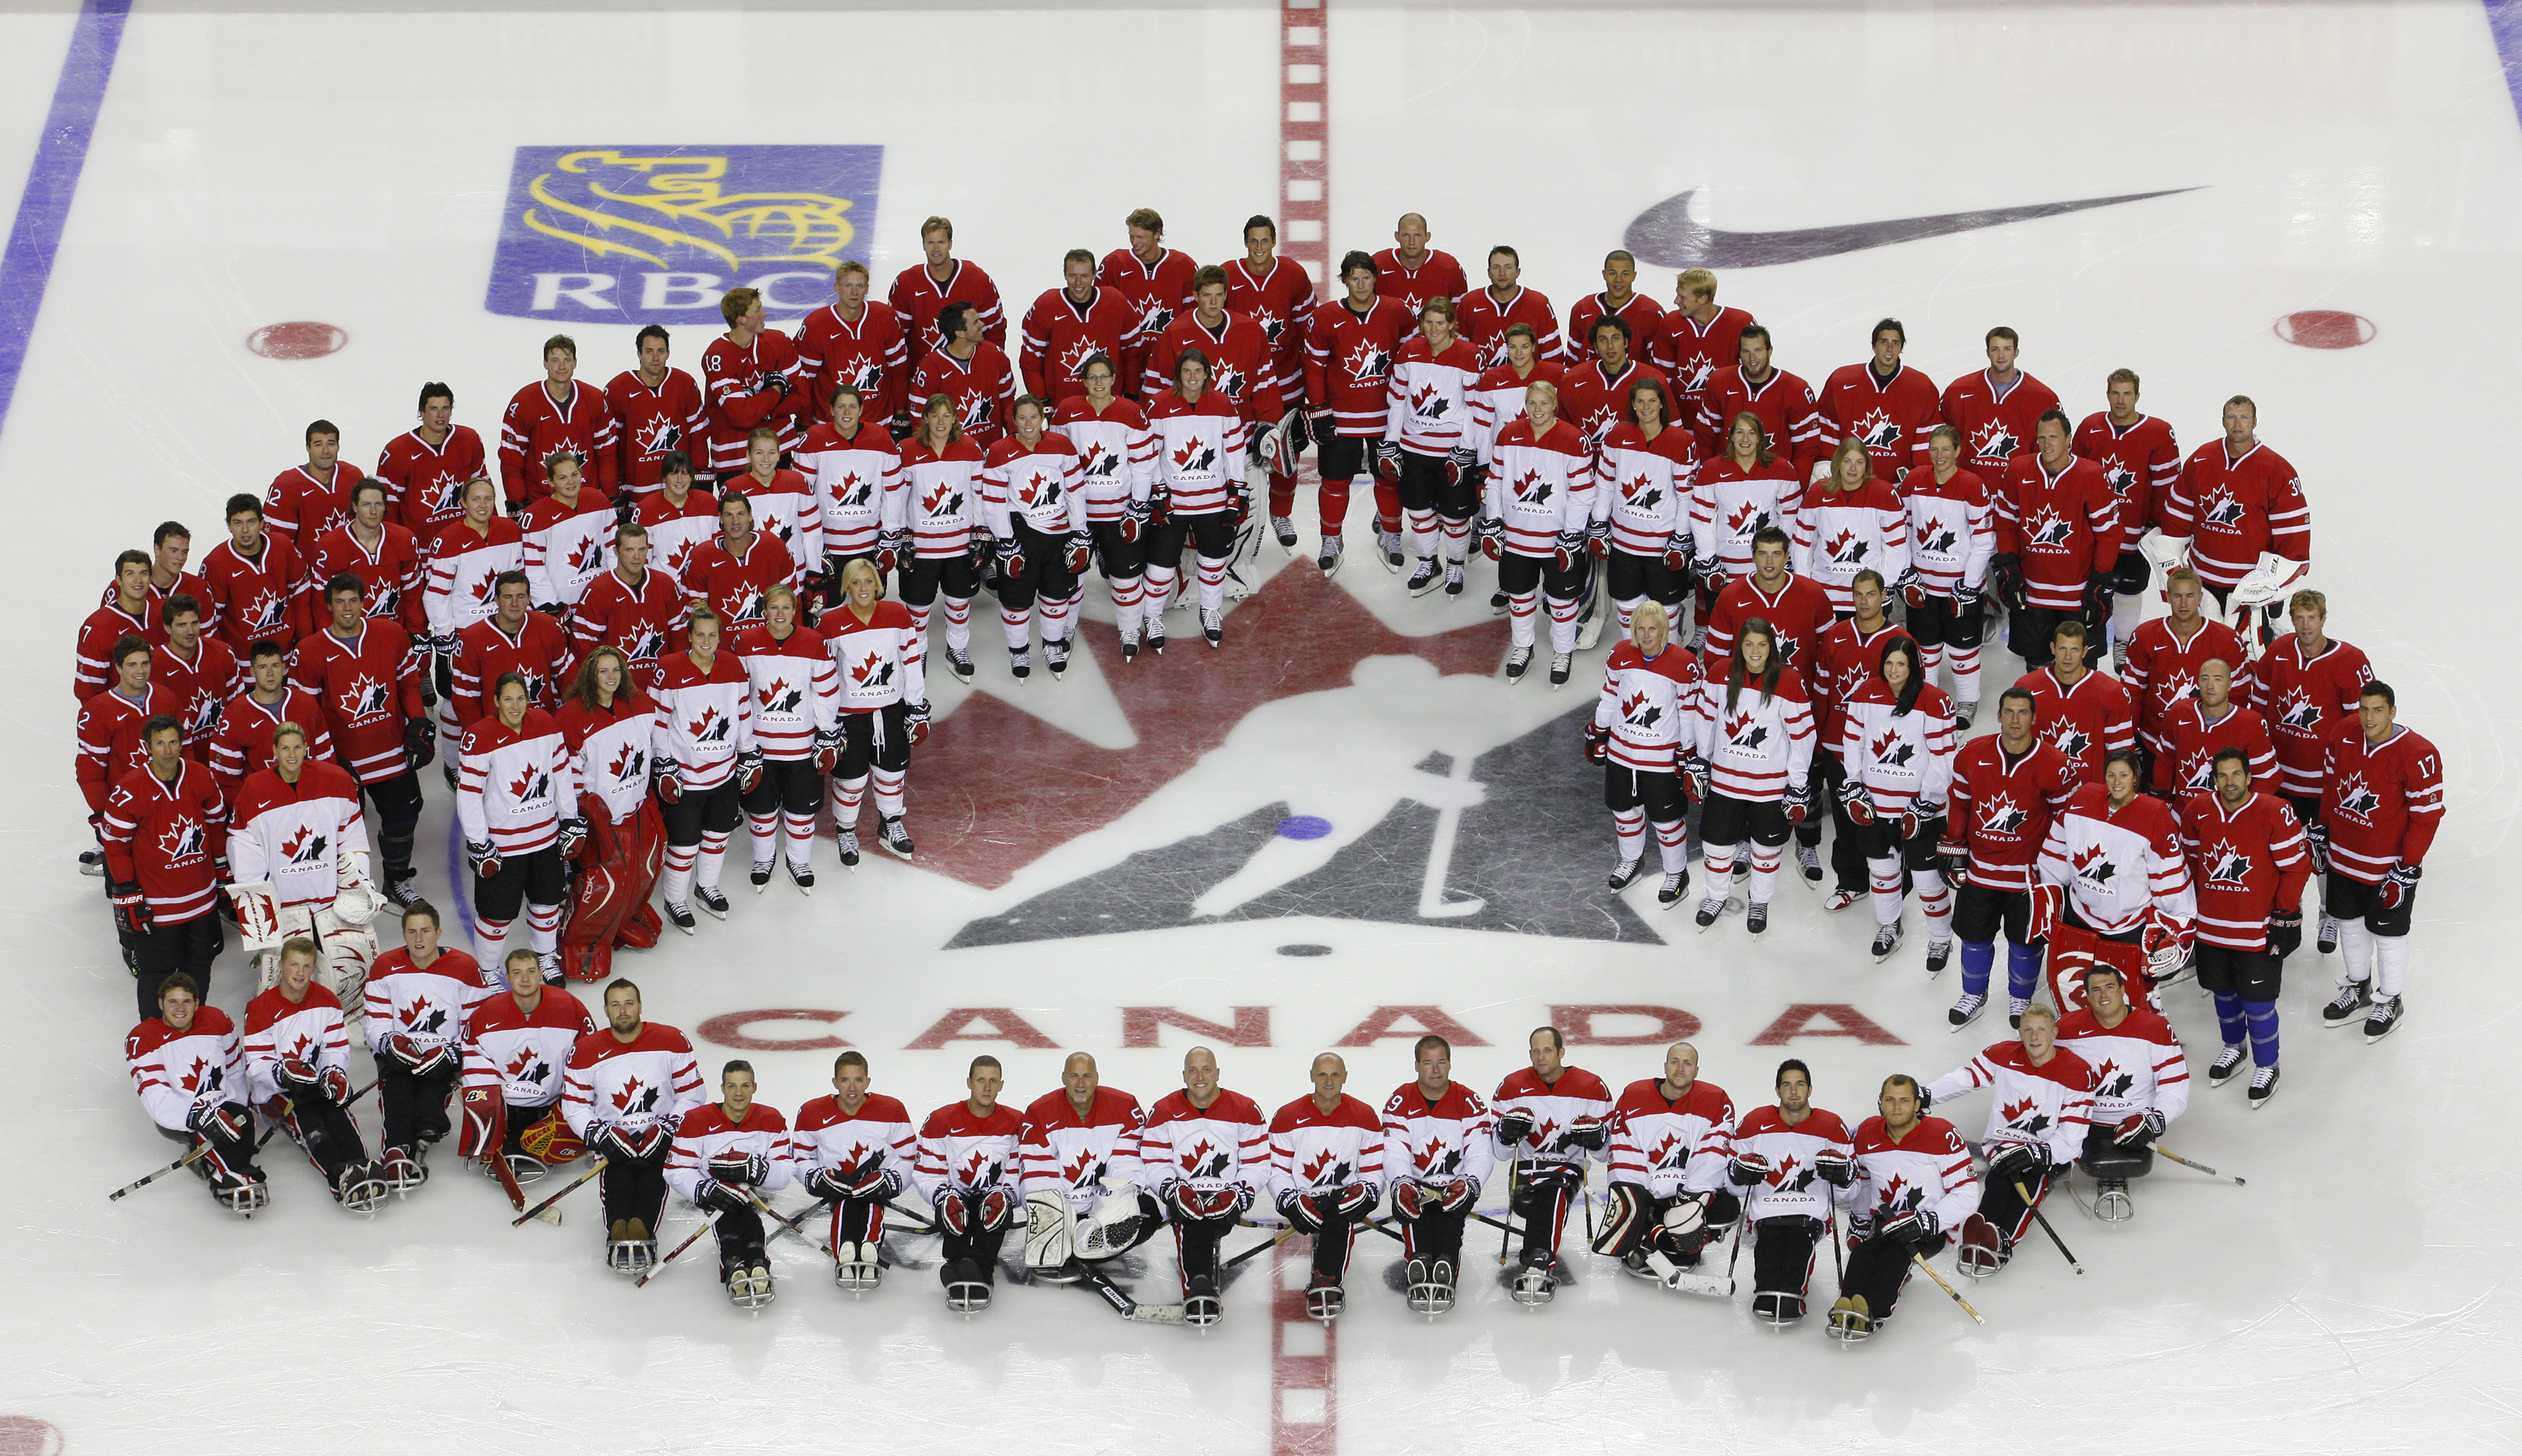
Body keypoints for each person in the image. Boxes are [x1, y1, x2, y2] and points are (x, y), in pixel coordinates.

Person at [1940, 687, 2080, 1029]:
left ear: (2033, 718)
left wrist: (2053, 866)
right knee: (1974, 937)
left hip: (2029, 877)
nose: (2015, 719)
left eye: (2022, 713)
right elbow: (1960, 802)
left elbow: (2067, 820)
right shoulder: (1971, 754)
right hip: (1980, 871)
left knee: (2025, 941)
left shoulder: (2055, 764)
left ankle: (2021, 1000)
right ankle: (1974, 993)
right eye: (2009, 712)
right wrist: (1953, 846)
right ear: (1998, 715)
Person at [2180, 749, 2311, 1107]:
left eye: (2236, 774)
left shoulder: (2272, 811)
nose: (2230, 782)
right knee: (2223, 994)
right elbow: (2190, 863)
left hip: (2256, 930)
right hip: (2211, 930)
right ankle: (2233, 1048)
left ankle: (2268, 1065)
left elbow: (2297, 868)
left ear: (2249, 776)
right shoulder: (2198, 811)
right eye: (2222, 776)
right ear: (2214, 779)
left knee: (2258, 1004)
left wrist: (2284, 912)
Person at [1922, 1006, 2095, 1278]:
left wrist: (2039, 1155)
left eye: (2041, 1030)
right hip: (2003, 1147)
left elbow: (2072, 1138)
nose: (2034, 1036)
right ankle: (1984, 1229)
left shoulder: (2076, 1072)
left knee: (2029, 1180)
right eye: (2028, 1029)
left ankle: (2002, 1240)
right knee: (2000, 1178)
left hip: (2047, 1152)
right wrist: (1927, 1095)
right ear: (2019, 1032)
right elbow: (1965, 1078)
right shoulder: (2003, 1055)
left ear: (2054, 1033)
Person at [293, 571, 430, 904]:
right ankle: (347, 889)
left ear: (363, 601)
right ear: (328, 607)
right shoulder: (311, 651)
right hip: (343, 760)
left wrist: (418, 723)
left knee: (404, 817)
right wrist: (326, 759)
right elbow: (306, 711)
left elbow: (409, 684)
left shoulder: (390, 634)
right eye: (339, 602)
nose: (347, 608)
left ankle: (396, 881)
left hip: (390, 752)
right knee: (340, 832)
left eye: (353, 600)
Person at [2252, 589, 2374, 954]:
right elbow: (2258, 707)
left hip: (2325, 782)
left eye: (2312, 618)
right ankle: (2287, 912)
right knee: (2280, 852)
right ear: (2291, 619)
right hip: (2282, 779)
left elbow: (2360, 725)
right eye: (2299, 618)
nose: (2305, 626)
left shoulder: (2349, 660)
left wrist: (2351, 773)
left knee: (2327, 853)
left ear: (2323, 619)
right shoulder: (2277, 653)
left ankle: (2328, 914)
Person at [2318, 681, 2441, 1042]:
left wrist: (2409, 865)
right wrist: (2323, 829)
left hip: (2388, 866)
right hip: (2344, 858)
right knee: (2350, 924)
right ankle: (2358, 988)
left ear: (2392, 712)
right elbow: (2330, 785)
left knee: (2388, 935)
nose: (2369, 717)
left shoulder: (2418, 752)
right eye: (2364, 709)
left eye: (2377, 710)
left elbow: (2426, 816)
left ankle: (2390, 999)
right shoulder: (2343, 734)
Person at [226, 720, 380, 1002]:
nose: (292, 754)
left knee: (345, 967)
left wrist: (357, 880)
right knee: (283, 974)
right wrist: (256, 898)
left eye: (297, 747)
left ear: (307, 748)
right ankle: (280, 1016)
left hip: (329, 901)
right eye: (285, 748)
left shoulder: (335, 779)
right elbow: (243, 842)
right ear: (274, 751)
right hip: (286, 904)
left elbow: (352, 832)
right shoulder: (255, 788)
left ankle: (345, 1015)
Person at [2034, 751, 2198, 1014]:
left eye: (2124, 774)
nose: (2117, 781)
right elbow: (2056, 851)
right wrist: (2051, 895)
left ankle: (2153, 1024)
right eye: (2111, 775)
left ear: (2136, 778)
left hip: (2130, 924)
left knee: (2134, 993)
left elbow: (2168, 874)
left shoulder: (2154, 815)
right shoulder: (2083, 800)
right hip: (2081, 916)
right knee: (2077, 987)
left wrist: (2176, 921)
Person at [562, 978, 706, 1274]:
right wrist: (600, 1134)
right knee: (618, 1176)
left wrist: (667, 1129)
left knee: (654, 1175)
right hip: (614, 1140)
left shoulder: (672, 1040)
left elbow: (693, 1094)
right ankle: (617, 1228)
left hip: (660, 1136)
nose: (623, 1011)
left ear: (640, 1006)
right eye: (615, 1005)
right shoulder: (586, 1050)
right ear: (605, 1010)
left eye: (629, 1003)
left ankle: (642, 1229)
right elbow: (574, 1105)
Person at [1690, 616, 1817, 933]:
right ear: (1740, 647)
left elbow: (1804, 736)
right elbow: (1705, 719)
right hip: (1725, 782)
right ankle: (1716, 896)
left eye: (1762, 644)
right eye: (1748, 644)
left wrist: (1797, 785)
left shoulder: (1789, 681)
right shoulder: (1720, 674)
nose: (1755, 651)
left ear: (1771, 646)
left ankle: (1759, 901)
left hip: (1770, 789)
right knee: (1717, 845)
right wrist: (1700, 761)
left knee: (1766, 849)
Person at [1828, 1074, 1975, 1341]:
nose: (1897, 1107)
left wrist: (1928, 1221)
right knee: (1863, 1255)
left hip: (1929, 1229)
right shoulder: (1866, 1133)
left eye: (1905, 1101)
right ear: (1880, 1103)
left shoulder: (1943, 1134)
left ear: (1918, 1104)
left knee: (1895, 1259)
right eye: (1890, 1100)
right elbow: (1862, 1182)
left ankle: (1872, 1314)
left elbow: (1967, 1192)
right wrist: (1861, 1221)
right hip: (1886, 1224)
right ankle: (1846, 1307)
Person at [1841, 636, 1959, 963]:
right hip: (1876, 806)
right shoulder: (1865, 693)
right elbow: (1853, 743)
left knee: (1927, 879)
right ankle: (1889, 926)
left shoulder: (1935, 701)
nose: (1894, 670)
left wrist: (1929, 800)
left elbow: (1944, 757)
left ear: (1914, 666)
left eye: (1902, 664)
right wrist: (1853, 785)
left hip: (1920, 809)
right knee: (1882, 872)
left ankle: (1940, 938)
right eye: (1889, 663)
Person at [244, 937, 384, 1210]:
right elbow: (256, 1064)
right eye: (294, 964)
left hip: (314, 1082)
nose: (299, 972)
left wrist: (333, 1073)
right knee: (311, 1123)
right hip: (277, 1092)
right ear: (282, 966)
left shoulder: (327, 1000)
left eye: (306, 966)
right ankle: (339, 1177)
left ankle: (363, 1168)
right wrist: (282, 1074)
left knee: (339, 1114)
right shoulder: (260, 1007)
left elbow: (335, 1048)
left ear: (314, 968)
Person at [364, 901, 494, 1193]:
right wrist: (389, 1042)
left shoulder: (465, 967)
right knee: (397, 1092)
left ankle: (431, 1122)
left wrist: (454, 1052)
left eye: (425, 931)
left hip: (442, 1057)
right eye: (412, 932)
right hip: (400, 1056)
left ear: (438, 933)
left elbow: (478, 1023)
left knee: (430, 1098)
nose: (419, 939)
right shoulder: (385, 966)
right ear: (403, 935)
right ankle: (396, 1151)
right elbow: (374, 1019)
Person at [102, 713, 226, 1017]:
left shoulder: (200, 776)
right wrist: (128, 892)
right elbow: (115, 845)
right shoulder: (130, 789)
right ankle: (155, 1037)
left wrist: (223, 873)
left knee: (199, 968)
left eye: (173, 742)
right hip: (159, 907)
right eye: (160, 743)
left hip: (201, 901)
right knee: (156, 975)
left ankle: (194, 1030)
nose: (168, 750)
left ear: (181, 744)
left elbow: (216, 825)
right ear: (148, 747)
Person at [553, 646, 664, 981]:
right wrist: (572, 817)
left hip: (636, 807)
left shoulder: (641, 703)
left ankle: (625, 917)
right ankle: (582, 941)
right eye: (603, 671)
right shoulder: (571, 716)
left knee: (645, 868)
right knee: (603, 882)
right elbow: (565, 775)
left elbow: (658, 743)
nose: (611, 677)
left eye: (616, 669)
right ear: (591, 675)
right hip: (599, 818)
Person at [1139, 1046, 1270, 1324]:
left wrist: (1240, 1192)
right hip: (1183, 1195)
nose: (1200, 1076)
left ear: (1218, 1073)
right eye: (1193, 1070)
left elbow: (1258, 1163)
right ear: (1184, 1075)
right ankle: (1198, 1286)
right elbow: (1154, 1162)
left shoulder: (1245, 1109)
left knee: (1207, 1219)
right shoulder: (1164, 1110)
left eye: (1206, 1069)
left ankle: (1200, 1282)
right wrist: (1171, 1189)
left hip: (1227, 1196)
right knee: (1191, 1219)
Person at [457, 671, 574, 978]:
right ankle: (489, 971)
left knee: (548, 902)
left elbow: (561, 774)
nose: (515, 705)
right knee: (496, 915)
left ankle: (546, 957)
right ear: (495, 701)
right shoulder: (478, 736)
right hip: (502, 847)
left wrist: (570, 819)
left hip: (545, 838)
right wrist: (479, 841)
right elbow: (468, 795)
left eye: (520, 698)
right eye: (507, 698)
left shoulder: (546, 724)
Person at [1587, 599, 1703, 905]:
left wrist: (1689, 754)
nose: (1647, 635)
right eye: (1641, 628)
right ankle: (1631, 861)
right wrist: (1598, 732)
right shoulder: (1620, 655)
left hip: (1661, 760)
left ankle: (1677, 874)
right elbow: (1610, 698)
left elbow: (1689, 715)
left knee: (1667, 821)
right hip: (1621, 755)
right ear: (1633, 630)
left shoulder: (1684, 664)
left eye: (1653, 628)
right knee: (1624, 812)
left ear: (1665, 630)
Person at [1595, 1041, 1737, 1288]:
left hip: (1690, 1196)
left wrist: (1690, 1200)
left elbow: (1712, 1155)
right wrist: (1635, 1202)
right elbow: (1625, 1153)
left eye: (1687, 1064)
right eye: (1675, 1062)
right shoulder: (1634, 1096)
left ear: (1696, 1070)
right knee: (1655, 1225)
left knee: (1728, 1207)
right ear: (1665, 1066)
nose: (1680, 1069)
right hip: (1651, 1196)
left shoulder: (1715, 1100)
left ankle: (1654, 1237)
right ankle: (1655, 1232)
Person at [649, 605, 757, 930]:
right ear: (689, 636)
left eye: (712, 635)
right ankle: (675, 899)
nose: (706, 641)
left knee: (717, 834)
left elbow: (742, 712)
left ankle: (706, 886)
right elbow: (658, 721)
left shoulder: (733, 666)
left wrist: (749, 753)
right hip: (685, 776)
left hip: (723, 773)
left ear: (720, 637)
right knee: (684, 843)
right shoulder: (668, 668)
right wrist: (663, 763)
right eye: (700, 635)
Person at [1303, 251, 1411, 573]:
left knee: (1388, 479)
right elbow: (1313, 365)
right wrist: (1318, 408)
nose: (1360, 283)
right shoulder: (1325, 317)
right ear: (1345, 280)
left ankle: (1391, 534)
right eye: (1354, 277)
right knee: (1335, 481)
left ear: (1375, 278)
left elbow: (1412, 361)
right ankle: (1331, 539)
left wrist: (1409, 407)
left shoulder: (1397, 312)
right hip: (1341, 417)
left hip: (1386, 416)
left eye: (1366, 277)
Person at [1487, 1027, 1612, 1305]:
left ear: (1561, 1052)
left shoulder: (1592, 1087)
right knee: (1530, 1205)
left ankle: (1539, 1261)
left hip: (1568, 1166)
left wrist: (1597, 1136)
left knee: (1554, 1192)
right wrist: (1506, 1133)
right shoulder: (1511, 1086)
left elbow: (1606, 1153)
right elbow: (1500, 1152)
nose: (1541, 1057)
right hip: (1527, 1165)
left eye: (1547, 1050)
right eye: (1535, 1051)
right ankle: (1538, 1250)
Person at [2157, 396, 2312, 620]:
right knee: (2205, 647)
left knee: (2249, 651)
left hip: (2251, 585)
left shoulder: (2277, 469)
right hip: (2203, 578)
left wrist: (2276, 587)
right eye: (2231, 417)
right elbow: (2178, 516)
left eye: (2244, 418)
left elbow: (2293, 534)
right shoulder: (2202, 458)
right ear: (2223, 421)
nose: (2237, 424)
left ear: (2255, 422)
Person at [1723, 1059, 1854, 1323]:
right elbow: (1731, 1182)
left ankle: (1793, 1294)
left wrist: (1843, 1178)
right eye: (1787, 1085)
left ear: (1810, 1089)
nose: (1794, 1091)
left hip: (1809, 1215)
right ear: (1777, 1090)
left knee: (1797, 1252)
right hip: (1766, 1215)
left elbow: (1850, 1191)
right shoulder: (1755, 1122)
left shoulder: (1832, 1125)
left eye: (1800, 1084)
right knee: (1767, 1266)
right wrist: (1738, 1173)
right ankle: (1769, 1292)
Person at [1483, 379, 1595, 684]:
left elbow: (1583, 493)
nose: (1537, 409)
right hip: (1517, 537)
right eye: (1532, 403)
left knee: (1561, 600)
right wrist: (1493, 521)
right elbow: (1494, 481)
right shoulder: (1509, 434)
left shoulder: (1574, 439)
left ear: (1555, 404)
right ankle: (1523, 648)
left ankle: (1562, 651)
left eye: (1543, 403)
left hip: (1557, 539)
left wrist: (1571, 534)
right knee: (1519, 596)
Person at [2055, 964, 2190, 1220]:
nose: (2103, 995)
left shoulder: (2155, 1027)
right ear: (2086, 995)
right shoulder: (2067, 1028)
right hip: (2085, 1124)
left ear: (2122, 990)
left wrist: (2153, 1120)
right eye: (2095, 990)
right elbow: (2046, 1077)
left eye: (2109, 987)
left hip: (2134, 1125)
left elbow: (2175, 1085)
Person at [125, 972, 267, 1212]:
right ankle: (228, 1175)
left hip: (222, 1105)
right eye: (172, 1002)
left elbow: (235, 1067)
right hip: (182, 1115)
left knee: (242, 1122)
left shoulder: (217, 1021)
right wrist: (199, 1116)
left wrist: (242, 1107)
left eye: (186, 1001)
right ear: (160, 1004)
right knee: (211, 1131)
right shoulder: (143, 1039)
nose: (180, 1008)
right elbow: (157, 1098)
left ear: (197, 1004)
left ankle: (232, 1169)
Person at [1991, 410, 2121, 669]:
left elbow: (2109, 532)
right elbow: (2005, 523)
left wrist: (2100, 580)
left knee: (2081, 668)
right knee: (2036, 667)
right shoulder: (2019, 469)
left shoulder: (2090, 474)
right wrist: (2009, 565)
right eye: (2042, 438)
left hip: (2076, 595)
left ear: (2068, 439)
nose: (2047, 444)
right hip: (2033, 593)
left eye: (2053, 437)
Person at [458, 945, 596, 1189]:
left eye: (531, 971)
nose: (525, 979)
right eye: (518, 973)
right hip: (508, 1106)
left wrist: (573, 1103)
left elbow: (589, 1057)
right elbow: (473, 1058)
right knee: (513, 1147)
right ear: (507, 977)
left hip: (553, 1103)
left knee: (552, 1144)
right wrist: (486, 1108)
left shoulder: (570, 1006)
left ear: (541, 973)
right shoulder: (486, 1014)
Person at [729, 585, 837, 889]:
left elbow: (826, 691)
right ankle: (764, 858)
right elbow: (739, 697)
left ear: (794, 610)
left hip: (802, 747)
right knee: (761, 811)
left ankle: (799, 861)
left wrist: (827, 733)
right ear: (764, 611)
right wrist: (745, 744)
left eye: (786, 607)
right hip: (760, 748)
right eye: (773, 608)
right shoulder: (746, 642)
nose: (780, 614)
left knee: (801, 810)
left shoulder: (814, 642)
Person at [1020, 1053, 1160, 1285]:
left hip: (1100, 1204)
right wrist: (1057, 1217)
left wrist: (1113, 1205)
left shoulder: (1125, 1106)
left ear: (1097, 1078)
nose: (1081, 1083)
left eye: (1087, 1076)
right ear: (1064, 1078)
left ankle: (1085, 1253)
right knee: (1048, 1214)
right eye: (1074, 1076)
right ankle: (1077, 1247)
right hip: (1065, 1206)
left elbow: (1126, 1160)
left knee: (1148, 1212)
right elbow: (1038, 1171)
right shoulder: (1039, 1112)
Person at [1807, 570, 1904, 905]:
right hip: (1838, 746)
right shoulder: (1835, 635)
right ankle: (1851, 881)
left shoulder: (1899, 641)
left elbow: (1911, 699)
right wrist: (1818, 739)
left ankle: (1890, 881)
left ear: (1883, 597)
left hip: (1882, 750)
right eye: (1858, 595)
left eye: (1871, 594)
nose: (1864, 602)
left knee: (1883, 818)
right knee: (1847, 819)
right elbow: (1821, 690)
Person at [1379, 1035, 1495, 1314]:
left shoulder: (1469, 1101)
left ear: (1450, 1064)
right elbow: (1394, 1150)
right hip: (1416, 1186)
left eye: (1441, 1062)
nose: (1435, 1070)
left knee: (1450, 1220)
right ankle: (1419, 1260)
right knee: (1415, 1215)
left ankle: (1445, 1262)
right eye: (1428, 1063)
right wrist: (1401, 1182)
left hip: (1454, 1187)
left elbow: (1481, 1153)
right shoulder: (1400, 1100)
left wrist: (1470, 1183)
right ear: (1417, 1065)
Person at [1144, 349, 1252, 648]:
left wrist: (1237, 491)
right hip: (1175, 502)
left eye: (1198, 371)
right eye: (1186, 371)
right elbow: (1150, 454)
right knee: (1161, 566)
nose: (1192, 378)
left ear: (1207, 374)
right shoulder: (1160, 405)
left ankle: (1211, 611)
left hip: (1214, 502)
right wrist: (1157, 491)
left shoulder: (1223, 405)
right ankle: (1151, 616)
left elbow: (1234, 450)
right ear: (1179, 374)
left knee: (1214, 561)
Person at [820, 559, 924, 865]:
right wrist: (827, 724)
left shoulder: (897, 614)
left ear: (878, 585)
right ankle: (846, 829)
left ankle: (890, 823)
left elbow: (911, 662)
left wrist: (916, 705)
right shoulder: (830, 622)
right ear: (846, 587)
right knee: (851, 780)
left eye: (868, 581)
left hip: (891, 712)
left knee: (892, 773)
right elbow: (823, 677)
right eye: (856, 582)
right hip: (850, 718)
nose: (863, 588)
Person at [2072, 369, 2181, 662]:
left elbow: (2167, 486)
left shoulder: (2158, 432)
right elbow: (2074, 476)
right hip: (2094, 532)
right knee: (2091, 586)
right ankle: (2082, 644)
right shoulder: (2090, 427)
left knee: (2129, 590)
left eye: (2127, 394)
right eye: (2115, 393)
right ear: (2107, 394)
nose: (2121, 400)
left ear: (2137, 396)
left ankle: (2123, 641)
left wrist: (2157, 525)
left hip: (2135, 531)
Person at [667, 1060, 795, 1309]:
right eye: (732, 1086)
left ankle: (747, 1263)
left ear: (754, 1087)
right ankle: (747, 1262)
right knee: (726, 1212)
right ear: (723, 1088)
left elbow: (785, 1171)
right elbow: (676, 1169)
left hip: (748, 1193)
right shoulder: (696, 1120)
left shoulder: (770, 1118)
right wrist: (705, 1190)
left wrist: (759, 1170)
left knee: (745, 1210)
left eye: (745, 1085)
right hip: (713, 1191)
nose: (739, 1093)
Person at [1268, 1053, 1386, 1320]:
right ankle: (1326, 1280)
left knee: (1340, 1215)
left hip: (1344, 1198)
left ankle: (1326, 1280)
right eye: (1322, 1074)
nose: (1329, 1081)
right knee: (1335, 1214)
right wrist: (1290, 1200)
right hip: (1303, 1201)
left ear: (1345, 1077)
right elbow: (1277, 1171)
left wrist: (1368, 1192)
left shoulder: (1365, 1115)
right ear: (1312, 1075)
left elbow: (1374, 1170)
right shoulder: (1287, 1115)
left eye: (1335, 1074)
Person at [979, 396, 1090, 678]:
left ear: (1043, 417)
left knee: (1056, 594)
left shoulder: (1061, 446)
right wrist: (1005, 541)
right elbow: (993, 501)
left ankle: (1053, 645)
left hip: (1059, 535)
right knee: (1016, 598)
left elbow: (1074, 492)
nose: (1029, 424)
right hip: (1021, 536)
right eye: (1022, 418)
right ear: (1013, 421)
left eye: (1034, 417)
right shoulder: (999, 451)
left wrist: (1080, 532)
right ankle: (1019, 652)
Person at [1053, 356, 1159, 652]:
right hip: (1078, 515)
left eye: (1104, 376)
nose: (1098, 383)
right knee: (1071, 576)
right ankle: (1066, 628)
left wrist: (1137, 507)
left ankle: (1129, 630)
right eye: (1092, 377)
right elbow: (1055, 462)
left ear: (1114, 378)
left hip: (1119, 514)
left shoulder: (1131, 412)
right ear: (1084, 381)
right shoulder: (1068, 410)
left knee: (1126, 578)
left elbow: (1143, 465)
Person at [1381, 297, 1484, 598]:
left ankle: (1456, 564)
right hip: (1414, 449)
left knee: (1454, 516)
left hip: (1452, 452)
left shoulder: (1470, 354)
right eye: (1429, 322)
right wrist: (1391, 442)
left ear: (1452, 324)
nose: (1434, 328)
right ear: (1421, 323)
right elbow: (1397, 400)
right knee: (1418, 509)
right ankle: (1429, 562)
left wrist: (1465, 449)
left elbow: (1475, 408)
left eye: (1441, 323)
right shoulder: (1409, 351)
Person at [791, 1050, 918, 1291]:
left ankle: (863, 1248)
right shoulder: (811, 1111)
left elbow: (910, 1156)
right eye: (845, 1080)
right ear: (835, 1082)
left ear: (868, 1082)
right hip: (836, 1186)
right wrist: (816, 1178)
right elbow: (800, 1156)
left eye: (858, 1080)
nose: (852, 1088)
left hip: (874, 1184)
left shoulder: (892, 1109)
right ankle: (851, 1250)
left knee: (871, 1200)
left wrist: (891, 1181)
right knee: (845, 1202)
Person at [913, 1055, 1025, 1311]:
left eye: (993, 1081)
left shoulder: (1017, 1122)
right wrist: (943, 1197)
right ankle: (968, 1267)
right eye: (980, 1080)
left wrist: (1006, 1195)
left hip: (992, 1199)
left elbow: (1019, 1171)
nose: (986, 1087)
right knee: (953, 1215)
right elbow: (927, 1172)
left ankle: (970, 1271)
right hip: (956, 1197)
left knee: (995, 1212)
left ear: (1001, 1085)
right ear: (969, 1082)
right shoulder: (941, 1120)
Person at [886, 392, 986, 680]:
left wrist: (982, 534)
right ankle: (917, 653)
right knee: (918, 606)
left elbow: (977, 495)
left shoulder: (970, 448)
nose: (940, 421)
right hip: (922, 546)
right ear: (925, 418)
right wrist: (901, 538)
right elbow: (897, 498)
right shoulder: (906, 449)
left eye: (946, 415)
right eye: (934, 415)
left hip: (959, 545)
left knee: (958, 601)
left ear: (955, 418)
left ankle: (957, 649)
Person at [1904, 425, 1997, 724]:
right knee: (1925, 648)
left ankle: (1967, 702)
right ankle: (1927, 699)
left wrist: (1969, 586)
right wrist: (1906, 572)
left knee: (1963, 649)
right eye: (1934, 449)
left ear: (1958, 450)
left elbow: (1985, 540)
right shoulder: (1914, 480)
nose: (1940, 456)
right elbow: (1900, 530)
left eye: (1946, 449)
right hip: (1924, 585)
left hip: (1960, 588)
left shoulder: (1972, 484)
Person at [1590, 378, 1698, 637]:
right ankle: (1633, 659)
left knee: (1666, 607)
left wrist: (1681, 538)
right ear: (1633, 405)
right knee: (1627, 604)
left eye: (1652, 400)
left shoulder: (1682, 442)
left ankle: (1667, 660)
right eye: (1640, 401)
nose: (1646, 406)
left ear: (1662, 403)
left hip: (1662, 544)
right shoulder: (1616, 437)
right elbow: (1604, 485)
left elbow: (1686, 497)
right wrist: (1598, 523)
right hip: (1623, 542)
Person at [1688, 416, 1805, 648]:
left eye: (1751, 433)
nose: (1745, 439)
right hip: (1724, 568)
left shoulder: (1782, 469)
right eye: (1739, 432)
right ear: (1730, 437)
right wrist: (1708, 557)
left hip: (1766, 567)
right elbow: (1702, 519)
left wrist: (1783, 555)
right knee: (1725, 630)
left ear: (1760, 438)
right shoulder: (1711, 469)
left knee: (1765, 631)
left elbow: (1791, 516)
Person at [2123, 566, 2253, 775]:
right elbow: (2132, 692)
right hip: (2153, 743)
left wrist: (2225, 737)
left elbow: (2238, 696)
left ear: (2201, 597)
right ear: (2167, 597)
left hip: (2210, 745)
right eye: (2178, 596)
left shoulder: (2227, 641)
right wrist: (2129, 740)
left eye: (2190, 596)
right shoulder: (2145, 636)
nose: (2184, 604)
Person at [78, 638, 184, 875]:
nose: (140, 671)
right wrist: (105, 817)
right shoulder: (98, 710)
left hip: (168, 805)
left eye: (145, 663)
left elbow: (184, 753)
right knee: (127, 886)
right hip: (127, 810)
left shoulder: (165, 698)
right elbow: (90, 773)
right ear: (118, 668)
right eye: (132, 665)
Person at [424, 478, 526, 715]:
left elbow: (519, 580)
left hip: (504, 630)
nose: (483, 505)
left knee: (505, 696)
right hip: (465, 636)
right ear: (463, 503)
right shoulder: (447, 540)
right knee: (459, 703)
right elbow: (435, 595)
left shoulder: (510, 530)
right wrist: (445, 640)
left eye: (488, 499)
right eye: (476, 499)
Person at [796, 385, 901, 602]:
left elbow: (894, 491)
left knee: (867, 604)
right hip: (828, 544)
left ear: (861, 409)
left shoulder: (880, 438)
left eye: (852, 406)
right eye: (841, 406)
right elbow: (801, 495)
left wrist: (890, 538)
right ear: (831, 410)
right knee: (828, 606)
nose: (847, 412)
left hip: (870, 543)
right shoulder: (813, 439)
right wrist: (813, 545)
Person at [207, 641, 336, 808]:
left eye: (275, 666)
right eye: (262, 667)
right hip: (263, 807)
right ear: (252, 671)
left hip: (311, 801)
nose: (270, 674)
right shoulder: (233, 716)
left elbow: (326, 759)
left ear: (283, 668)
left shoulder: (307, 704)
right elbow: (226, 779)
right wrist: (250, 810)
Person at [499, 338, 620, 509]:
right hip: (540, 503)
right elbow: (512, 460)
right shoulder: (524, 403)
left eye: (567, 360)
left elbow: (606, 454)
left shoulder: (595, 400)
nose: (562, 366)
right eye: (555, 360)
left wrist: (611, 495)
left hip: (587, 503)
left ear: (575, 363)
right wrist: (517, 502)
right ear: (545, 363)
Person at [1818, 318, 1941, 486]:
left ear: (1901, 348)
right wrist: (1828, 468)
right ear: (1874, 346)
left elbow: (1926, 438)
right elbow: (1827, 427)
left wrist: (1917, 479)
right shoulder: (1841, 381)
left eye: (1895, 343)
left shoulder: (1921, 386)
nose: (1889, 348)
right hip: (1847, 483)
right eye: (1884, 342)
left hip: (1897, 487)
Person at [2016, 618, 2136, 787]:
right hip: (2040, 789)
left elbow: (2121, 750)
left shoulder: (2111, 692)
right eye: (2062, 649)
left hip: (2091, 793)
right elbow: (2015, 740)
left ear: (2085, 651)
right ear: (2053, 648)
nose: (2067, 657)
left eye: (2074, 650)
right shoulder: (2027, 687)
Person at [1798, 439, 1912, 617]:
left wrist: (1883, 586)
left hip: (1867, 598)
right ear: (1838, 463)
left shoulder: (1885, 494)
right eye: (1847, 461)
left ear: (1867, 465)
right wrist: (1805, 586)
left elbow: (1896, 546)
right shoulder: (1817, 493)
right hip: (1825, 595)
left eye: (1859, 462)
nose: (1853, 468)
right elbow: (1803, 544)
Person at [569, 522, 687, 693]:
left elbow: (680, 635)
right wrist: (602, 687)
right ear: (616, 551)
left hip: (662, 686)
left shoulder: (665, 584)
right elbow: (584, 646)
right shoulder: (598, 591)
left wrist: (674, 675)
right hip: (616, 690)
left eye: (642, 550)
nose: (637, 557)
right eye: (629, 550)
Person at [450, 571, 571, 737]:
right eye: (508, 597)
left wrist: (563, 724)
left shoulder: (550, 627)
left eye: (521, 596)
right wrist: (482, 735)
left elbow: (568, 679)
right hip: (496, 733)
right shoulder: (472, 639)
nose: (515, 603)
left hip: (544, 729)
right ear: (497, 599)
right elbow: (465, 698)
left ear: (529, 599)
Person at [302, 480, 427, 640]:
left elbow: (412, 593)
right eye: (367, 505)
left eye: (378, 504)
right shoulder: (330, 546)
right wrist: (329, 640)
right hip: (350, 636)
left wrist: (417, 633)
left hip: (393, 633)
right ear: (355, 507)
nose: (373, 511)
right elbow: (322, 603)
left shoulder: (404, 539)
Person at [1699, 325, 1827, 481]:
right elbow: (1705, 436)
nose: (1752, 358)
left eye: (1758, 351)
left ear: (1769, 351)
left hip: (1776, 481)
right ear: (1739, 353)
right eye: (1746, 351)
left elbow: (1806, 448)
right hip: (1728, 479)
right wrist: (1709, 479)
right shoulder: (1718, 382)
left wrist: (1795, 490)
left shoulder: (1796, 389)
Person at [1020, 247, 1144, 406]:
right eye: (1073, 276)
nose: (1078, 283)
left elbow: (1133, 352)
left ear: (1094, 275)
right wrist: (1042, 401)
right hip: (1062, 406)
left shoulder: (1116, 302)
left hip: (1109, 405)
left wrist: (1132, 393)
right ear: (1065, 275)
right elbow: (1030, 360)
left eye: (1084, 276)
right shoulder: (1046, 305)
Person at [793, 261, 909, 431]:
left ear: (867, 289)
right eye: (848, 286)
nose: (854, 292)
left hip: (879, 422)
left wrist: (901, 413)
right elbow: (805, 380)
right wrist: (804, 420)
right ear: (837, 288)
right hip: (830, 424)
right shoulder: (816, 325)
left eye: (859, 286)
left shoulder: (885, 318)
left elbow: (899, 370)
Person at [699, 287, 801, 478]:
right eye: (758, 309)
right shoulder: (718, 356)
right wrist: (777, 390)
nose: (765, 313)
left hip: (779, 448)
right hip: (734, 456)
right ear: (741, 319)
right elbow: (741, 416)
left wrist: (760, 409)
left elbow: (801, 398)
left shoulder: (779, 341)